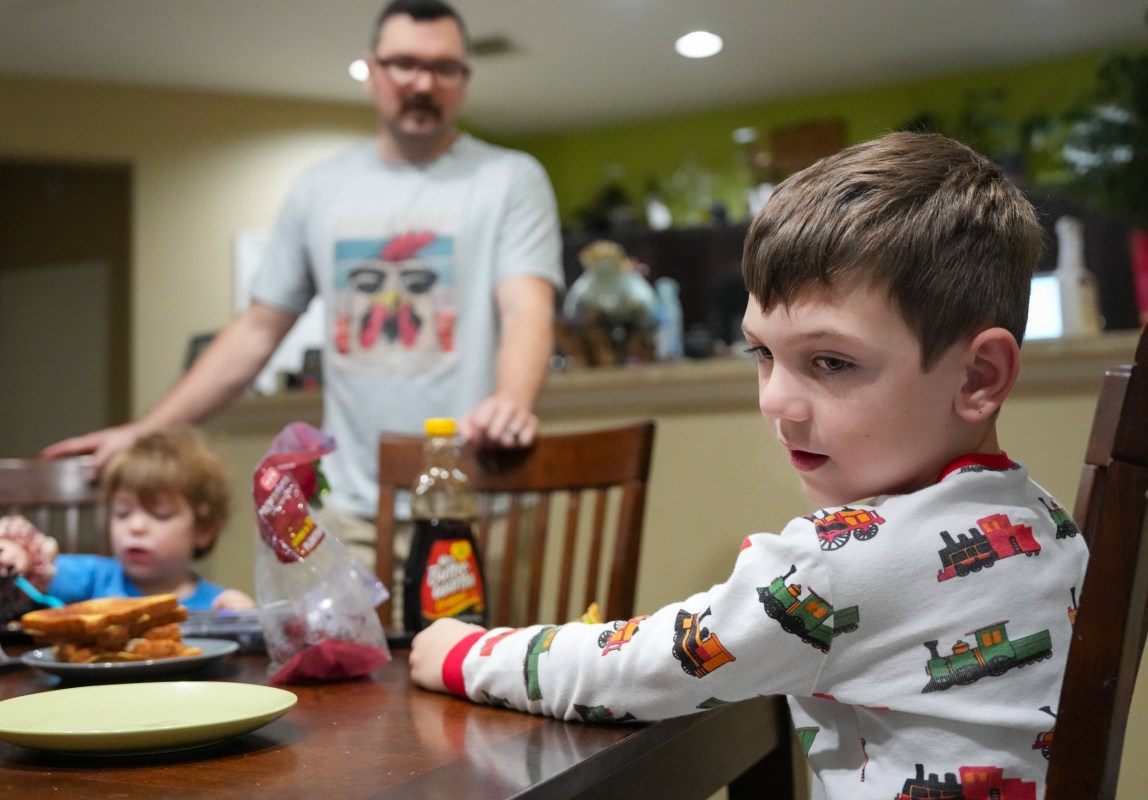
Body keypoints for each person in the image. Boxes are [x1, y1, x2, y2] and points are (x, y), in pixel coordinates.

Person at [409, 132, 1090, 798]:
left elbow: (636, 671)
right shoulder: (1048, 522)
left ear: (979, 376)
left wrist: (465, 653)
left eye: (831, 362)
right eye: (761, 353)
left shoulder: (840, 564)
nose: (778, 402)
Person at [42, 0, 564, 547]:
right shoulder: (320, 189)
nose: (422, 83)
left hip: (484, 502)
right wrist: (149, 429)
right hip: (355, 513)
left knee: (493, 639)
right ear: (372, 70)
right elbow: (257, 329)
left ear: (465, 78)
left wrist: (512, 400)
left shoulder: (510, 178)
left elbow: (526, 306)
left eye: (443, 68)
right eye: (404, 64)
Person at [48, 427, 255, 611]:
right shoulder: (93, 578)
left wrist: (246, 620)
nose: (136, 527)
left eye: (160, 515)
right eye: (122, 513)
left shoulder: (216, 606)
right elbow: (39, 572)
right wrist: (27, 557)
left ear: (203, 530)